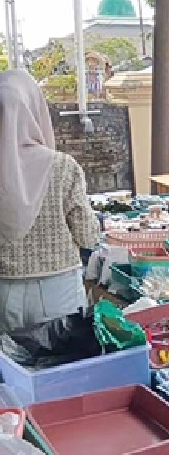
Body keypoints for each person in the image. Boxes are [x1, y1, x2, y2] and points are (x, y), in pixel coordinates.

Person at [0, 69, 100, 334]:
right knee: (62, 371)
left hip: (4, 293)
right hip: (59, 290)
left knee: (12, 371)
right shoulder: (62, 167)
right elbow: (87, 236)